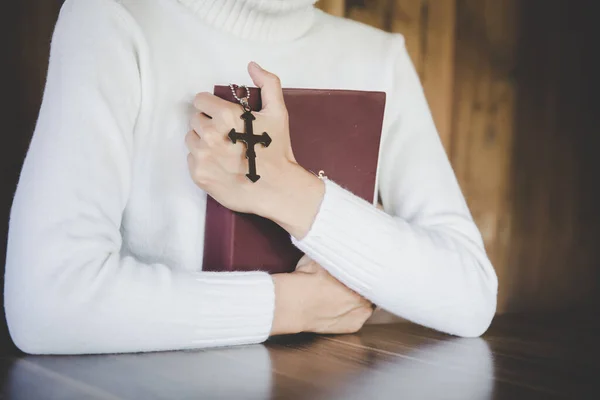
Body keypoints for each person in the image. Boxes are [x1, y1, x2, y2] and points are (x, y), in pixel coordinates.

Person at [4, 0, 498, 355]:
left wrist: (287, 190)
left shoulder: (379, 56)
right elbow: (48, 303)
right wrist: (293, 307)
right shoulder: (111, 17)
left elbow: (470, 296)